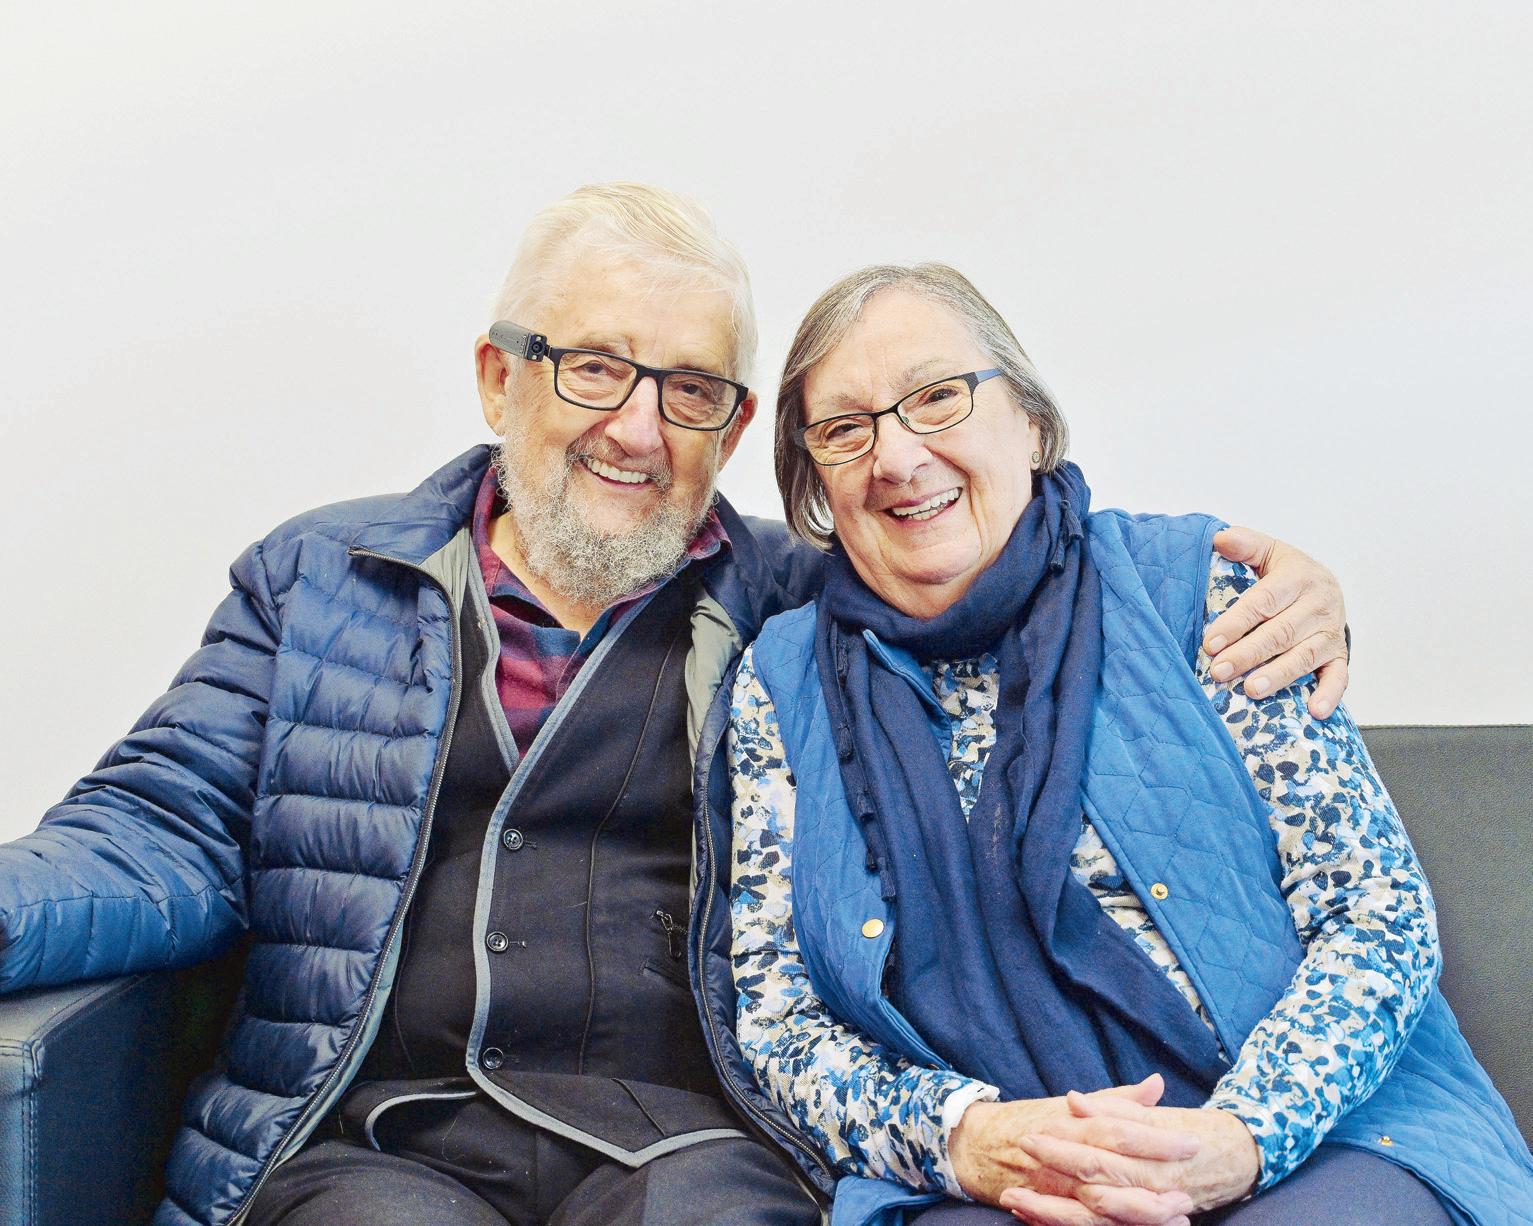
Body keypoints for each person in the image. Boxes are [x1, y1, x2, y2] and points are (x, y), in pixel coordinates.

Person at [0, 187, 1352, 1226]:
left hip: (694, 1141)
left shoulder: (806, 611)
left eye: (691, 390)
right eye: (593, 366)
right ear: (498, 376)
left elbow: (1011, 564)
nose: (639, 430)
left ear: (735, 425)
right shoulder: (320, 580)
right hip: (377, 1136)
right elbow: (154, 826)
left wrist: (1246, 580)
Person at [717, 262, 1533, 1226]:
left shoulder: (1200, 592)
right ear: (814, 478)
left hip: (1320, 1136)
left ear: (1029, 422)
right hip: (991, 1178)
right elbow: (777, 1016)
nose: (895, 456)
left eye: (936, 397)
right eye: (844, 429)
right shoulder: (781, 683)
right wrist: (967, 1138)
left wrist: (1240, 1136)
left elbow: (1373, 909)